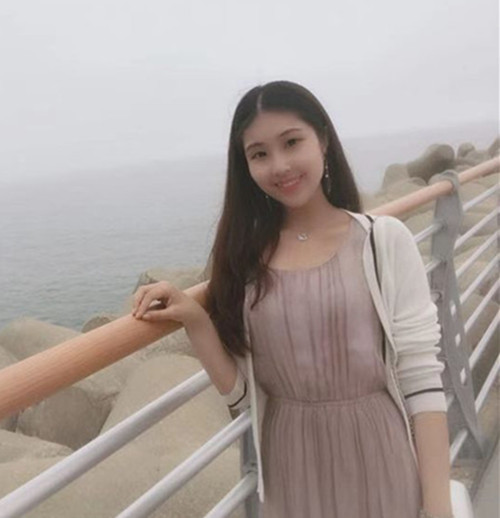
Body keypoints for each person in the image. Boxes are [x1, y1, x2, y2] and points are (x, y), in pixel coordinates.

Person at [131, 80, 454, 518]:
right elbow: (243, 397)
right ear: (245, 166)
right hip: (289, 467)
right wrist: (196, 319)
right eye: (259, 154)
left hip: (380, 454)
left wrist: (438, 507)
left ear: (322, 139)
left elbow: (421, 380)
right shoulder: (244, 263)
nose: (279, 165)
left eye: (291, 143)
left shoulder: (382, 241)